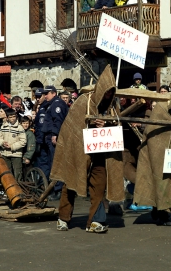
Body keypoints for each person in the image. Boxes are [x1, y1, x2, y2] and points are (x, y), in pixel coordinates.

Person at [51, 65, 124, 233]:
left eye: (111, 92)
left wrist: (108, 123)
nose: (108, 95)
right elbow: (73, 125)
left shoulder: (112, 106)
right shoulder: (84, 101)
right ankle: (63, 218)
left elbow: (118, 123)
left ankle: (95, 221)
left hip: (101, 153)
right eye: (106, 91)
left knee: (99, 185)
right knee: (71, 182)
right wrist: (90, 123)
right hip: (79, 151)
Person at [133, 84, 171, 226]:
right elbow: (152, 133)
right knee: (158, 181)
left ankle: (163, 211)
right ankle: (160, 212)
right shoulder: (161, 108)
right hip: (157, 154)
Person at [40, 85, 68, 201]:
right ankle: (55, 188)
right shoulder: (50, 104)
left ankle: (58, 190)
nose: (45, 96)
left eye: (47, 93)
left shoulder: (57, 104)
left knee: (56, 164)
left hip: (53, 136)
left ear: (54, 93)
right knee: (51, 163)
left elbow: (58, 120)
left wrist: (55, 134)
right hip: (48, 136)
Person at [0, 108, 26, 181]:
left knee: (17, 173)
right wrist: (3, 143)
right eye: (10, 117)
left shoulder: (19, 128)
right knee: (7, 173)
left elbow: (23, 141)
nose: (13, 119)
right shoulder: (3, 126)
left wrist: (12, 146)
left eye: (14, 116)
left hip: (16, 154)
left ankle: (19, 189)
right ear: (7, 118)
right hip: (5, 153)